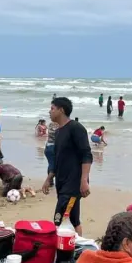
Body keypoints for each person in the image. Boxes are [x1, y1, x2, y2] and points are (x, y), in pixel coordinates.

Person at [42, 97, 93, 236]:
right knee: (74, 219)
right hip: (62, 182)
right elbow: (57, 160)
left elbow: (87, 155)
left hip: (73, 184)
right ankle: (78, 247)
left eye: (52, 108)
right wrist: (49, 178)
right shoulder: (58, 132)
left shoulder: (76, 128)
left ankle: (60, 251)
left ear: (61, 110)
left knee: (58, 219)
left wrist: (84, 181)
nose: (49, 111)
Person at [44, 121, 59, 187]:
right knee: (54, 165)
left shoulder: (51, 124)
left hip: (48, 147)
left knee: (51, 164)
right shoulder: (59, 125)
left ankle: (50, 181)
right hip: (53, 147)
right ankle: (49, 181)